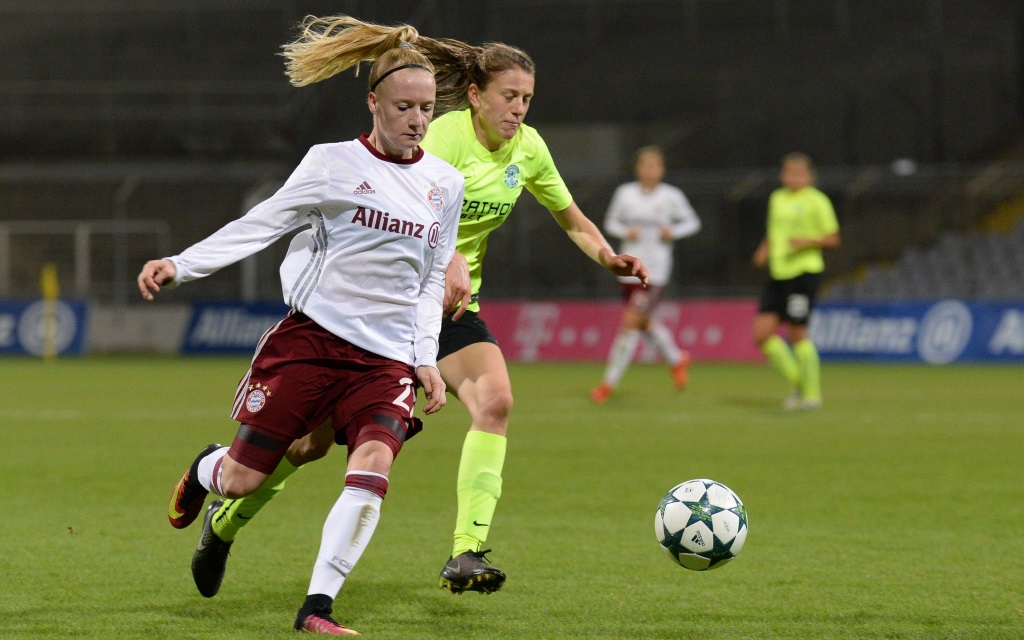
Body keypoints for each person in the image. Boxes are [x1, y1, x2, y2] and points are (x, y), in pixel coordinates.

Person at [187, 14, 649, 603]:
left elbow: (571, 217)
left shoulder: (528, 148)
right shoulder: (439, 136)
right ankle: (224, 524)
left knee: (497, 400)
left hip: (451, 315)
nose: (520, 110)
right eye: (510, 96)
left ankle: (467, 549)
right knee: (309, 446)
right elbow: (404, 198)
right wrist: (450, 255)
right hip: (387, 312)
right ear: (477, 97)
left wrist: (608, 257)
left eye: (528, 99)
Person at [140, 38, 463, 636]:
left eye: (427, 109)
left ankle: (317, 607)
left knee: (372, 470)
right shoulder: (332, 163)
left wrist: (425, 360)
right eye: (403, 107)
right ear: (373, 103)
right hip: (313, 343)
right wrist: (181, 264)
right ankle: (205, 469)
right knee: (246, 477)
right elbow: (260, 225)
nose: (417, 120)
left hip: (385, 361)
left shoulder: (446, 184)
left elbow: (428, 283)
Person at [590, 145, 701, 404]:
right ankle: (677, 359)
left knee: (630, 321)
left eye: (655, 165)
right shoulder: (625, 193)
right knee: (642, 321)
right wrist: (624, 231)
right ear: (637, 168)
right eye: (645, 165)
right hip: (628, 268)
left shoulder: (671, 196)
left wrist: (672, 232)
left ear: (662, 170)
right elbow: (610, 222)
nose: (650, 170)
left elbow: (692, 222)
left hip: (656, 270)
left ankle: (608, 384)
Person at [751, 152, 840, 410]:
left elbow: (833, 238)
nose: (793, 176)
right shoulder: (777, 198)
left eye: (799, 172)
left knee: (797, 331)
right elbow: (774, 230)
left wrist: (807, 242)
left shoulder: (817, 201)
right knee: (761, 334)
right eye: (789, 172)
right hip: (778, 273)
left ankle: (812, 394)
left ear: (809, 176)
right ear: (782, 175)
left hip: (804, 272)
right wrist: (764, 249)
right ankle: (799, 381)